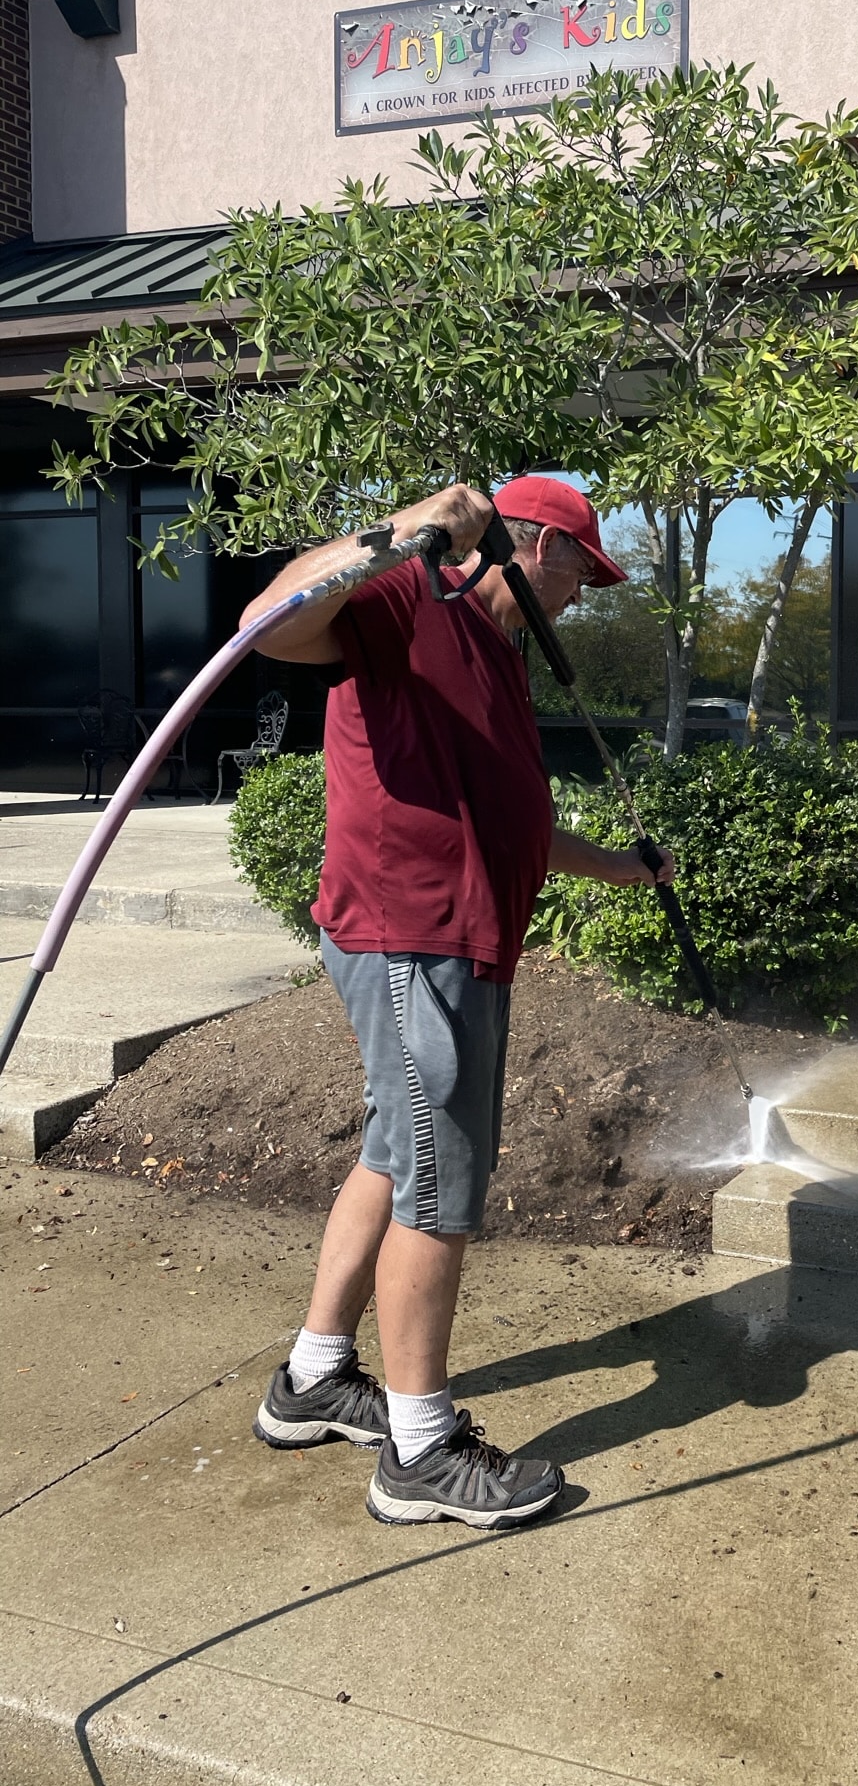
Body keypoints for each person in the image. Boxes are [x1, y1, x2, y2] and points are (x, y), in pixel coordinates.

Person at [242, 475, 674, 1530]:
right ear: (529, 545)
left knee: (397, 1156)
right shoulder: (407, 598)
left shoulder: (497, 658)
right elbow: (269, 623)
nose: (583, 590)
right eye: (580, 566)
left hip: (454, 939)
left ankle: (313, 1377)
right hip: (414, 935)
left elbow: (516, 821)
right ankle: (421, 1451)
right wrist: (403, 531)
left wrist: (627, 867)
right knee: (437, 1179)